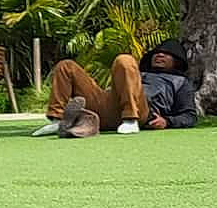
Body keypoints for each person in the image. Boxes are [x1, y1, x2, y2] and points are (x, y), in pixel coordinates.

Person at [33, 39, 197, 136]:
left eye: (167, 54)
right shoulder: (137, 71)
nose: (160, 55)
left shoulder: (180, 82)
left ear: (177, 60)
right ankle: (58, 120)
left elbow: (189, 116)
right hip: (109, 103)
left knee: (124, 59)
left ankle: (129, 120)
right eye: (157, 52)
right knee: (66, 66)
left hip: (142, 110)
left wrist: (167, 121)